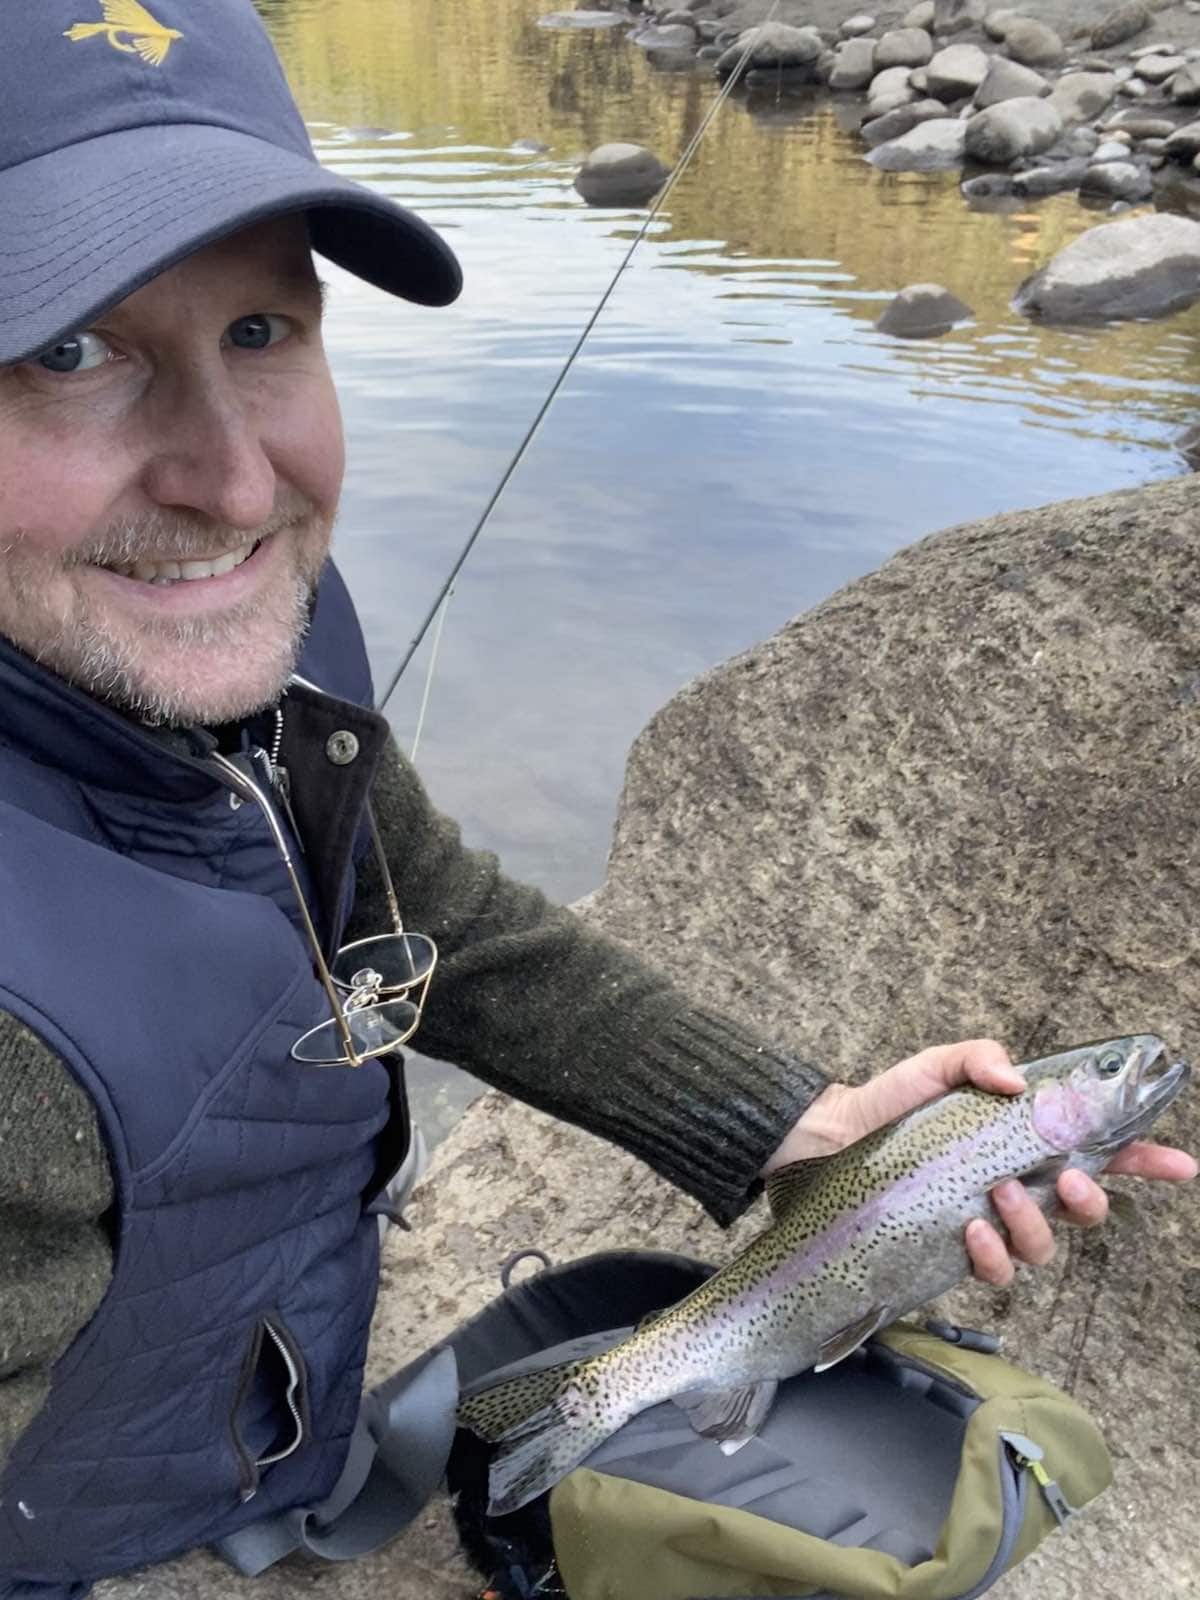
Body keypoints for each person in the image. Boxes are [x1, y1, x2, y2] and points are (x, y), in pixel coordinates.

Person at [0, 3, 1193, 1596]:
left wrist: (797, 1138)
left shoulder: (239, 653)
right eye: (73, 350)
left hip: (246, 1423)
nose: (232, 484)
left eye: (264, 332)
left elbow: (427, 917)